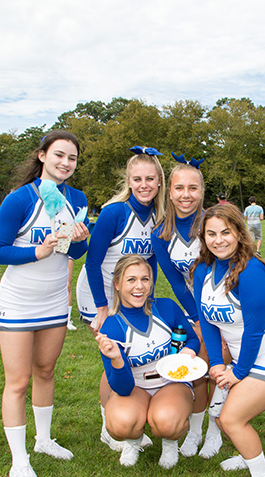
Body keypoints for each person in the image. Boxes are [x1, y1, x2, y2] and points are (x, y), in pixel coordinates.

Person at [0, 130, 91, 477]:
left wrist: (80, 240)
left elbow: (76, 254)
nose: (66, 163)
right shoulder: (20, 198)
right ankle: (20, 464)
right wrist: (37, 252)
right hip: (18, 300)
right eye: (59, 155)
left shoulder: (76, 198)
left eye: (73, 158)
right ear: (43, 155)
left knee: (45, 370)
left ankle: (43, 440)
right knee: (17, 382)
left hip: (52, 301)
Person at [192, 204, 265, 477]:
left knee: (230, 419)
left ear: (240, 233)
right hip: (245, 358)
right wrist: (216, 363)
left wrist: (237, 373)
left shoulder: (251, 269)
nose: (218, 240)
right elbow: (207, 321)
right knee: (224, 412)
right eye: (211, 233)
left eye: (225, 232)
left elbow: (255, 329)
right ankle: (248, 451)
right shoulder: (203, 268)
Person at [76, 145, 165, 452]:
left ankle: (124, 418)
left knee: (126, 352)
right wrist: (102, 307)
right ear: (129, 180)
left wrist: (148, 298)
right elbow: (91, 262)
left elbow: (150, 261)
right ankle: (108, 425)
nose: (144, 185)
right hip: (98, 291)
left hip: (134, 293)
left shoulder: (159, 215)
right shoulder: (115, 212)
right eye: (137, 179)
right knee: (113, 354)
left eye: (150, 179)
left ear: (158, 182)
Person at [95, 255, 200, 469]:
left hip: (171, 381)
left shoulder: (166, 307)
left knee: (167, 422)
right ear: (117, 284)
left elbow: (192, 338)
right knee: (120, 424)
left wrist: (188, 351)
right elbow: (122, 388)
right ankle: (133, 442)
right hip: (136, 387)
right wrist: (116, 359)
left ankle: (170, 443)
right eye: (131, 280)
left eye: (145, 279)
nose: (139, 287)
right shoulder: (111, 327)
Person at [151, 153, 224, 459]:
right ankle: (195, 432)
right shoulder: (160, 233)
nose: (186, 195)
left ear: (202, 191)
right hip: (198, 308)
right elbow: (177, 282)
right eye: (179, 188)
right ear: (170, 192)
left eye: (193, 188)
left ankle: (215, 433)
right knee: (200, 370)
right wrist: (196, 317)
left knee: (221, 371)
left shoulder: (214, 223)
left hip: (227, 304)